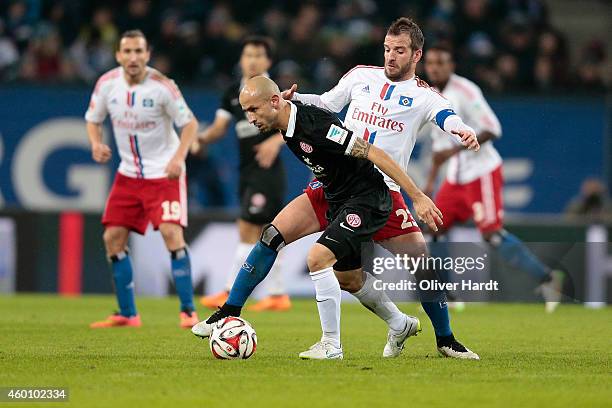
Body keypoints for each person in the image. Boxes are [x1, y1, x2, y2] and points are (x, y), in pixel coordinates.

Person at [194, 75, 455, 359]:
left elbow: (374, 153)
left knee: (319, 259)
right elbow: (305, 103)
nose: (249, 118)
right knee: (290, 246)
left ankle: (332, 345)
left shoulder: (319, 128)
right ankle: (228, 312)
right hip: (331, 192)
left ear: (273, 102)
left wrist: (417, 196)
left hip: (365, 198)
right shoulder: (285, 120)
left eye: (253, 109)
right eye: (245, 111)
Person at [278, 17, 481, 358]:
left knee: (424, 266)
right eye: (387, 49)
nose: (390, 56)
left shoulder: (422, 95)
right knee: (345, 276)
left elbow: (445, 115)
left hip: (384, 191)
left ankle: (445, 340)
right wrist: (292, 102)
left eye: (399, 51)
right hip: (342, 183)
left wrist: (461, 129)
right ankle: (397, 325)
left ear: (417, 55)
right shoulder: (361, 76)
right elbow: (328, 103)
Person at [423, 44, 565, 313]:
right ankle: (447, 294)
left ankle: (547, 278)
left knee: (491, 235)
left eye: (440, 62)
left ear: (451, 65)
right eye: (430, 63)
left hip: (482, 172)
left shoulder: (465, 91)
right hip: (455, 177)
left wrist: (454, 149)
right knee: (433, 228)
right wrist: (430, 181)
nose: (434, 68)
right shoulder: (429, 95)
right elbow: (438, 147)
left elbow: (492, 128)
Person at [86, 30, 200, 328]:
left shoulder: (163, 86)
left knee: (171, 234)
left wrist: (178, 158)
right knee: (112, 239)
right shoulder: (107, 84)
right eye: (127, 51)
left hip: (163, 173)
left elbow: (189, 124)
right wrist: (96, 144)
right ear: (118, 55)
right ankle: (127, 313)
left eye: (139, 51)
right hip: (128, 175)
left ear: (147, 54)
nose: (133, 57)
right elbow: (92, 119)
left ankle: (188, 311)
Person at [194, 36, 290, 312]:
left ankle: (233, 291)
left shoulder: (277, 91)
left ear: (268, 61)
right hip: (247, 171)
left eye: (259, 55)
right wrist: (199, 139)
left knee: (251, 228)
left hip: (268, 172)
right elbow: (218, 129)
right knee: (258, 230)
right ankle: (275, 293)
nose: (253, 60)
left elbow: (297, 120)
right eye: (248, 55)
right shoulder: (232, 93)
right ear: (241, 59)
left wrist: (275, 141)